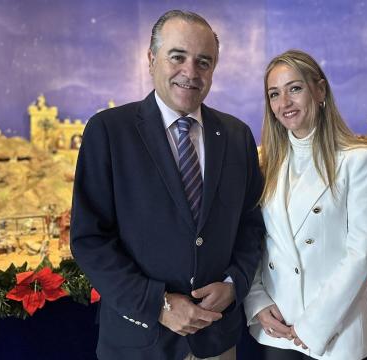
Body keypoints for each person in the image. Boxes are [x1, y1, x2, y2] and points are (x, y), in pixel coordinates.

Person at [70, 10, 265, 360]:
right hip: (139, 341)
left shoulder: (237, 136)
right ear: (151, 59)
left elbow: (251, 226)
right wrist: (157, 304)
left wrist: (235, 283)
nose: (190, 72)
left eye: (204, 62)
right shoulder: (109, 131)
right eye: (178, 57)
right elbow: (90, 239)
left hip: (216, 340)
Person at [243, 50, 367, 359]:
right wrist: (257, 302)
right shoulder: (265, 163)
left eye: (295, 88)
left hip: (337, 331)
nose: (284, 103)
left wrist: (314, 325)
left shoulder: (359, 160)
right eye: (274, 94)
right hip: (277, 328)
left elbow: (362, 253)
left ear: (319, 90)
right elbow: (253, 239)